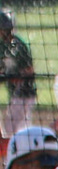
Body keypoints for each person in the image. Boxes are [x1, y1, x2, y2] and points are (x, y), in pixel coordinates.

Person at [2, 9, 36, 138]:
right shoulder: (3, 46)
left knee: (13, 129)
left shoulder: (18, 45)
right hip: (15, 94)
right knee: (17, 128)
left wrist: (15, 76)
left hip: (24, 93)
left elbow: (29, 70)